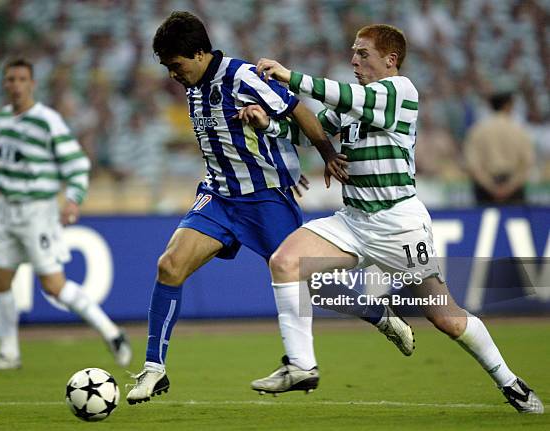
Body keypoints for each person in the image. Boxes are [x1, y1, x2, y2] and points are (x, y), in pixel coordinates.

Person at [244, 24, 543, 413]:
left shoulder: (400, 91)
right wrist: (266, 123)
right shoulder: (354, 103)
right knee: (284, 263)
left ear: (391, 60)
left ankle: (510, 382)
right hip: (352, 220)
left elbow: (346, 96)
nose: (354, 59)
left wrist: (292, 77)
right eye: (353, 52)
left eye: (363, 53)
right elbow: (307, 133)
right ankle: (301, 365)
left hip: (397, 223)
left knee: (446, 318)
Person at [125, 11, 413, 405]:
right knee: (169, 266)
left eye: (175, 66)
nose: (172, 75)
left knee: (315, 283)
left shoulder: (242, 77)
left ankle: (379, 316)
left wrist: (326, 154)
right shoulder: (193, 86)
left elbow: (297, 111)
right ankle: (154, 370)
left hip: (265, 199)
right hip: (219, 196)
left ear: (198, 53)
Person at [0, 58, 132, 372]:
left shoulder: (48, 120)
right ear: (4, 84)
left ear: (32, 83)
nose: (15, 85)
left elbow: (77, 164)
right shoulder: (1, 120)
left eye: (21, 79)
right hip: (5, 209)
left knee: (53, 285)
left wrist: (73, 199)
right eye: (10, 79)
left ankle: (113, 333)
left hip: (37, 210)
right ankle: (8, 353)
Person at [464, 91, 534, 205]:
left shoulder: (478, 131)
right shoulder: (519, 131)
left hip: (485, 189)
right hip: (513, 189)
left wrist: (491, 187)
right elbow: (527, 164)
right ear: (508, 105)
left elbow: (473, 165)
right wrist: (509, 188)